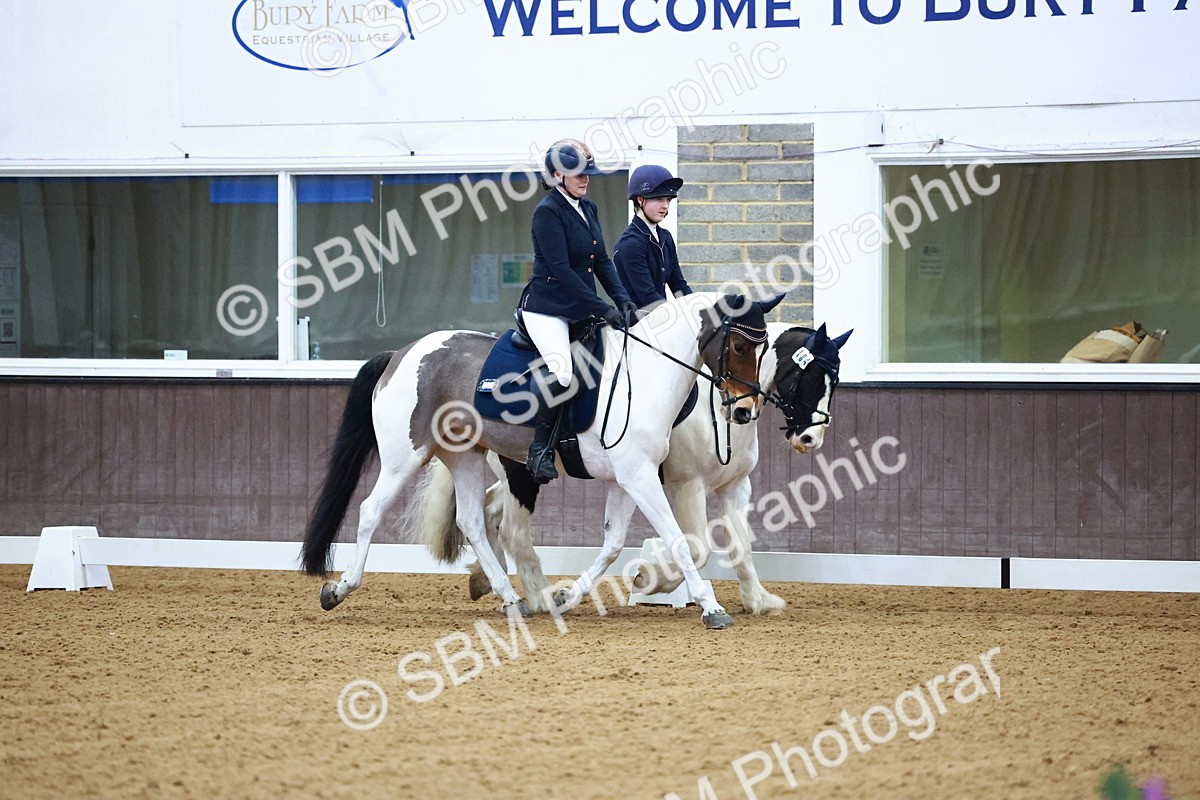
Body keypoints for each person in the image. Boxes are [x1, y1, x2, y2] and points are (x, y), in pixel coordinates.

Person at [518, 138, 639, 484]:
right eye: (578, 175)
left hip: (580, 307)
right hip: (547, 310)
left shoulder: (589, 209)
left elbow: (601, 261)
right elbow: (562, 270)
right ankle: (539, 450)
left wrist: (623, 300)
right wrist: (602, 307)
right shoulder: (547, 212)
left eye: (588, 174)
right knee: (564, 374)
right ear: (557, 176)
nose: (586, 180)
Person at [613, 164, 692, 309]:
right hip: (637, 324)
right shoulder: (630, 243)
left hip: (661, 317)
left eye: (668, 199)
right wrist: (675, 315)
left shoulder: (665, 237)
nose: (665, 206)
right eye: (659, 199)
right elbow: (647, 296)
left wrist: (697, 307)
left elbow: (679, 285)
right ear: (641, 200)